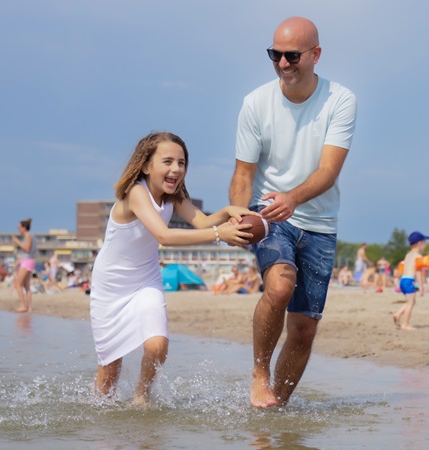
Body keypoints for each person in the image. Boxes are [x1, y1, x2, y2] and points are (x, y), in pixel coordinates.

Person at [228, 16, 357, 408]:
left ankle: (275, 408)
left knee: (302, 330)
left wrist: (295, 198)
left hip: (319, 223)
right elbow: (243, 173)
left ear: (315, 54)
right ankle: (258, 374)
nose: (283, 64)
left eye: (292, 55)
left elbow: (328, 171)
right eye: (276, 55)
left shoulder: (341, 100)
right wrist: (237, 215)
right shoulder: (255, 102)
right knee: (280, 286)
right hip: (269, 215)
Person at [90, 132, 255, 404]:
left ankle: (141, 397)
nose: (176, 169)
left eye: (181, 162)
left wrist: (227, 211)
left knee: (158, 345)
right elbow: (165, 236)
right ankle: (100, 421)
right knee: (110, 370)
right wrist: (219, 235)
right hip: (111, 286)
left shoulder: (173, 196)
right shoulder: (136, 192)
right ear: (146, 165)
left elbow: (201, 221)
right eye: (167, 161)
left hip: (146, 279)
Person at [393, 232, 428, 331]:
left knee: (409, 301)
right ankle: (405, 324)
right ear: (420, 244)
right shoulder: (419, 257)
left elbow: (403, 267)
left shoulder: (408, 255)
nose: (425, 246)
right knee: (411, 303)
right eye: (424, 243)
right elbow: (418, 273)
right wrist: (421, 287)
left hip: (403, 280)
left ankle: (397, 314)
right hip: (409, 280)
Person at [12, 218, 35, 313]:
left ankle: (22, 305)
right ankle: (29, 308)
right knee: (26, 286)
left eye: (19, 227)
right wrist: (19, 261)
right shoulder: (30, 236)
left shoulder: (28, 236)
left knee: (18, 284)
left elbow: (27, 249)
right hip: (28, 261)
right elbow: (27, 252)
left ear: (24, 228)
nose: (18, 229)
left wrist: (17, 242)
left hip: (27, 262)